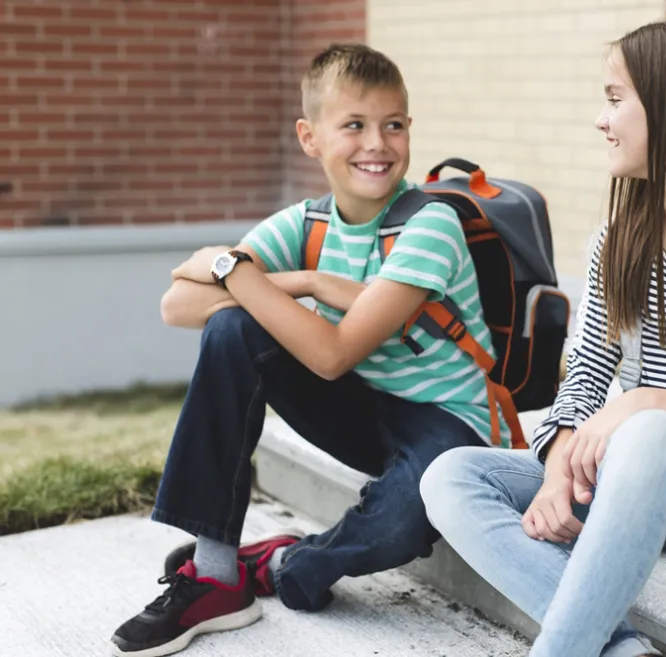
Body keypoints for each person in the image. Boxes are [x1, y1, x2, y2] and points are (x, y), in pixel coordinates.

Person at [420, 17, 666, 657]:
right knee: (450, 476)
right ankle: (620, 649)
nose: (600, 120)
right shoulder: (620, 239)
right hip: (630, 477)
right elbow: (585, 373)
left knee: (648, 433)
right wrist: (558, 465)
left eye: (615, 99)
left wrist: (648, 403)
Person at [110, 43, 509, 657]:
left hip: (449, 423)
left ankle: (282, 564)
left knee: (399, 525)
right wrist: (305, 281)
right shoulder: (306, 224)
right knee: (231, 331)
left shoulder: (431, 225)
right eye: (354, 125)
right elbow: (177, 306)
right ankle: (214, 577)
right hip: (362, 409)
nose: (377, 144)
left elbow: (333, 355)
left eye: (393, 125)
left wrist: (234, 269)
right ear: (310, 137)